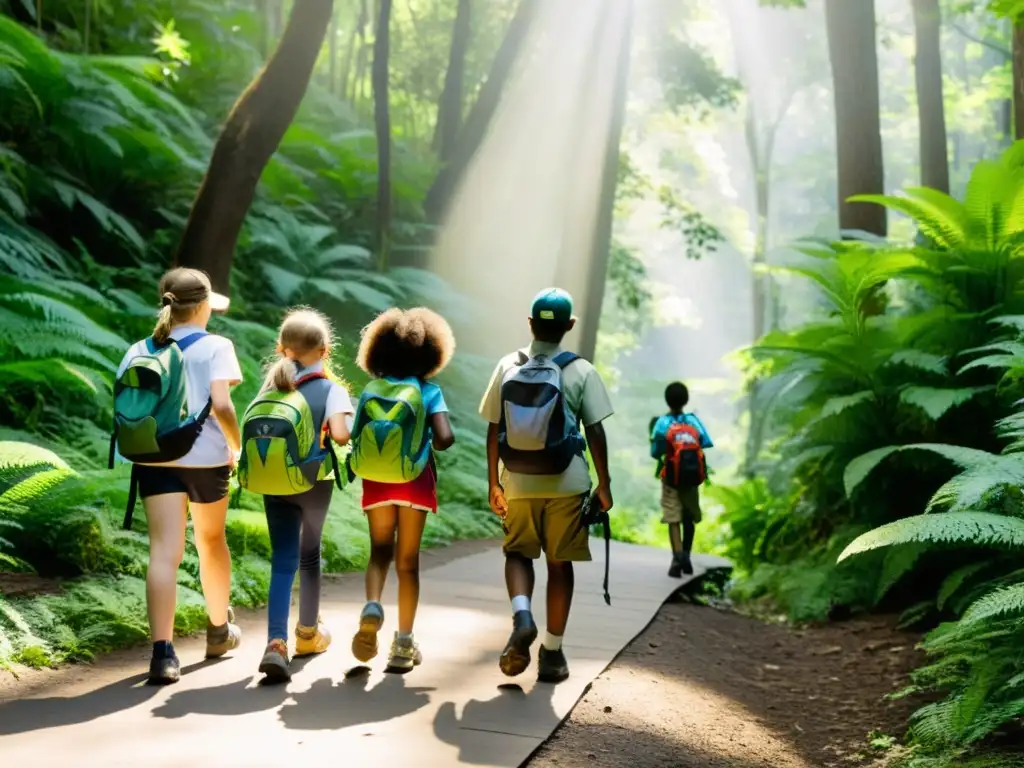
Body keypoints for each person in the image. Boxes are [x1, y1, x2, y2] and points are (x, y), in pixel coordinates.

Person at [113, 268, 242, 685]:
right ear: (203, 307)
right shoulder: (217, 346)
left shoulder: (139, 347)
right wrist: (235, 445)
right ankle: (219, 630)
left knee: (163, 553)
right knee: (210, 542)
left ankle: (163, 654)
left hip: (153, 461)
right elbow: (222, 404)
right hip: (206, 462)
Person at [480, 287, 614, 685]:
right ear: (570, 326)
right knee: (559, 565)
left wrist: (494, 484)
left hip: (517, 481)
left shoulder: (508, 364)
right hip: (566, 482)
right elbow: (595, 431)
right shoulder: (581, 370)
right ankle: (552, 653)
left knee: (518, 554)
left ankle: (523, 616)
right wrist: (603, 485)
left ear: (530, 323)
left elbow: (493, 428)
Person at [246, 309, 355, 683]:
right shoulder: (331, 389)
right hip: (312, 484)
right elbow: (341, 436)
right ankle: (307, 635)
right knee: (309, 556)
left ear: (281, 348)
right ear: (325, 350)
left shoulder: (270, 388)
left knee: (282, 560)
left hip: (274, 482)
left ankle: (275, 643)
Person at [348, 307, 456, 672]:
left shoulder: (372, 389)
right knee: (407, 563)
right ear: (431, 354)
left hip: (377, 481)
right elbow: (444, 438)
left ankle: (372, 605)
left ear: (378, 351)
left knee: (380, 551)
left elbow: (354, 436)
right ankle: (403, 645)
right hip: (415, 482)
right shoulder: (429, 391)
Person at [650, 382, 713, 577]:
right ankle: (686, 553)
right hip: (692, 478)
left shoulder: (662, 423)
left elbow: (655, 452)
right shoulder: (694, 421)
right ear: (686, 400)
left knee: (672, 517)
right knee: (688, 517)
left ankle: (677, 557)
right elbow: (706, 442)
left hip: (670, 478)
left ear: (667, 400)